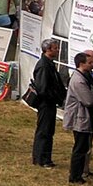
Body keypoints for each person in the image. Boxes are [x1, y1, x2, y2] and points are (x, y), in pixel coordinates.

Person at [29, 39, 67, 167]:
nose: (58, 50)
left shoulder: (49, 63)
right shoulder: (44, 65)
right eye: (55, 48)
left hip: (50, 102)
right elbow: (43, 88)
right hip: (45, 103)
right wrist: (55, 97)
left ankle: (44, 157)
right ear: (48, 50)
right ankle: (41, 158)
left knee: (48, 131)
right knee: (44, 131)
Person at [65, 50, 93, 184]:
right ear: (81, 64)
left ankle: (78, 173)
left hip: (84, 117)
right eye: (89, 63)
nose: (92, 65)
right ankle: (75, 176)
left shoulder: (85, 76)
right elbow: (88, 100)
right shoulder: (78, 80)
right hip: (80, 118)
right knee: (80, 148)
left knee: (83, 147)